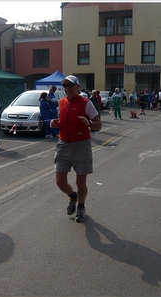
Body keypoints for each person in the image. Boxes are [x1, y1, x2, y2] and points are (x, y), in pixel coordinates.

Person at [50, 75, 102, 222]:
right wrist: (57, 123)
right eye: (65, 86)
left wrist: (89, 124)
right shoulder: (61, 102)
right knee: (60, 181)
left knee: (81, 182)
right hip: (63, 144)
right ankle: (72, 196)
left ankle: (81, 206)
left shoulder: (86, 103)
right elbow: (64, 122)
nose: (67, 89)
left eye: (70, 86)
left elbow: (98, 124)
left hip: (81, 145)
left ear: (77, 87)